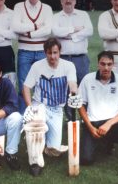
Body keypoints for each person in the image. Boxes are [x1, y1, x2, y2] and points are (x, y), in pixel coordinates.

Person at [22, 38, 77, 176]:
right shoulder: (37, 66)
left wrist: (74, 93)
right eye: (49, 53)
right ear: (44, 52)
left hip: (57, 110)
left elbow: (72, 84)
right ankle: (35, 163)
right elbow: (26, 87)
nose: (52, 56)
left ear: (60, 52)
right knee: (36, 130)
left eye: (55, 52)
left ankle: (42, 144)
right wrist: (30, 107)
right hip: (40, 105)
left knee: (54, 151)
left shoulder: (68, 65)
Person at [75, 51, 118, 165]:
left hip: (111, 123)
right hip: (92, 122)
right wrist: (90, 127)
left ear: (113, 65)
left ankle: (108, 140)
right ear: (98, 64)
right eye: (103, 64)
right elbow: (80, 105)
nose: (106, 67)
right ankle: (98, 139)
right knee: (86, 160)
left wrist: (109, 124)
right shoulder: (88, 79)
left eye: (109, 64)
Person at [12, 0, 53, 114]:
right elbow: (16, 27)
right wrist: (35, 26)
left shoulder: (46, 8)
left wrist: (29, 34)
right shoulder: (19, 6)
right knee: (25, 85)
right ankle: (26, 116)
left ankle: (42, 116)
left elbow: (48, 30)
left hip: (42, 51)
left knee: (43, 84)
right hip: (25, 51)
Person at [52, 0, 93, 122]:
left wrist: (70, 37)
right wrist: (75, 30)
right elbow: (55, 31)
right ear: (61, 1)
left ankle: (84, 119)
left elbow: (89, 31)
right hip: (63, 59)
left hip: (80, 58)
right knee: (64, 90)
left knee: (82, 89)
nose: (68, 0)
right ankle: (70, 119)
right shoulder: (56, 17)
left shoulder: (83, 15)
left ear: (75, 1)